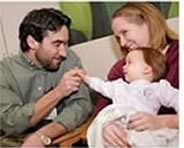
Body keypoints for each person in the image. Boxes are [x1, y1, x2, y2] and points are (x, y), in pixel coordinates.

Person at [0, 8, 93, 147]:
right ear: (32, 43)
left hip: (63, 138)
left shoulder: (69, 60)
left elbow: (81, 105)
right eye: (57, 44)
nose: (63, 53)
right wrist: (58, 93)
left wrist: (42, 135)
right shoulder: (5, 71)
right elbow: (11, 122)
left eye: (66, 44)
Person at [93, 2, 179, 147]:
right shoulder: (121, 69)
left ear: (148, 23)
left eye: (125, 33)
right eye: (117, 38)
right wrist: (105, 126)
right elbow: (101, 110)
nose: (122, 43)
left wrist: (163, 122)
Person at [77, 47, 178, 147]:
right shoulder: (119, 86)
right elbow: (101, 85)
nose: (124, 67)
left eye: (129, 63)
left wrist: (166, 120)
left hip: (142, 131)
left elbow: (178, 99)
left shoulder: (158, 88)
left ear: (146, 69)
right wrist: (86, 78)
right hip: (119, 131)